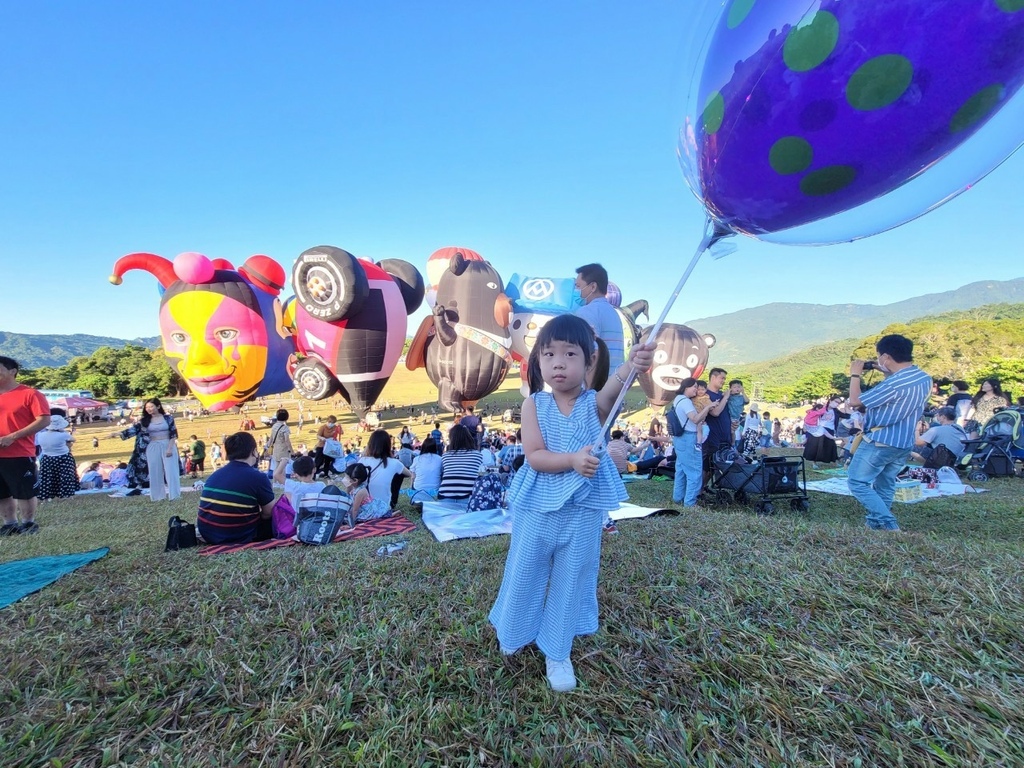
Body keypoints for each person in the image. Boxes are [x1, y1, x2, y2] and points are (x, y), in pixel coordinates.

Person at [489, 314, 653, 692]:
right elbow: (534, 456)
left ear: (589, 360)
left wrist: (633, 363)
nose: (558, 362)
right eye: (548, 354)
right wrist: (573, 460)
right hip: (537, 507)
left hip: (582, 510)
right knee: (525, 567)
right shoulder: (534, 406)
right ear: (538, 362)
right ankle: (513, 631)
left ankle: (558, 651)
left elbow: (617, 385)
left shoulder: (597, 405)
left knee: (573, 576)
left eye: (569, 353)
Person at [847, 334, 932, 531]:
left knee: (857, 481)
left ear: (885, 357)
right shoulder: (924, 378)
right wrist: (885, 371)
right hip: (904, 441)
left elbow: (855, 401)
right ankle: (876, 526)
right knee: (885, 484)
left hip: (880, 440)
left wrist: (855, 374)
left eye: (879, 357)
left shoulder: (893, 384)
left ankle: (889, 524)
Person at [0, 356, 50, 535]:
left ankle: (28, 523)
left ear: (12, 371)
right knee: (2, 492)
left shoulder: (30, 394)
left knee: (24, 491)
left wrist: (14, 436)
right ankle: (9, 524)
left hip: (20, 452)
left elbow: (44, 420)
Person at [111, 398, 180, 501]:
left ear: (158, 406)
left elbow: (173, 434)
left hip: (167, 444)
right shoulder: (145, 421)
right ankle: (157, 497)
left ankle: (174, 496)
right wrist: (117, 434)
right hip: (152, 446)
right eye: (147, 407)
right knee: (154, 472)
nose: (149, 409)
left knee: (171, 471)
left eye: (151, 406)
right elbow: (133, 430)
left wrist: (169, 448)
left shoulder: (168, 418)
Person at [670, 378, 713, 508]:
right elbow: (695, 419)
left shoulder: (677, 400)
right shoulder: (686, 402)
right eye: (694, 386)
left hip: (679, 438)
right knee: (694, 471)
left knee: (681, 469)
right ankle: (690, 503)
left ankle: (678, 498)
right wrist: (708, 407)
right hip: (690, 438)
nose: (696, 389)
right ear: (686, 387)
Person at [573, 263, 624, 368]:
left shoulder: (586, 312)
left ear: (593, 287)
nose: (576, 291)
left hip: (595, 382)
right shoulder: (614, 313)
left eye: (578, 286)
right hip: (614, 380)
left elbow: (589, 353)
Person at [358, 429, 411, 510]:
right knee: (399, 474)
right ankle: (391, 500)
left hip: (363, 506)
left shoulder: (362, 460)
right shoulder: (394, 463)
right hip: (384, 508)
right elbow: (409, 474)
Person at [36, 414, 80, 501]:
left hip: (47, 457)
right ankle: (67, 495)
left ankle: (46, 496)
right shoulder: (64, 435)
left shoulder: (41, 435)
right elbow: (73, 439)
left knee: (47, 478)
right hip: (63, 457)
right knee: (66, 477)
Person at [438, 424, 484, 500]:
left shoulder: (446, 456)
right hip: (469, 496)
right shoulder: (477, 455)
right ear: (469, 437)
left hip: (445, 495)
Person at [803, 396, 842, 466]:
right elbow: (811, 416)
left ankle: (835, 461)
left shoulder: (835, 411)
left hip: (830, 429)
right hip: (818, 429)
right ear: (830, 401)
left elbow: (844, 415)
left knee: (831, 445)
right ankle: (814, 462)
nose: (837, 404)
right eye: (836, 401)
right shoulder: (821, 408)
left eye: (838, 403)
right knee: (816, 446)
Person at [409, 437, 443, 503]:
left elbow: (413, 476)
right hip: (435, 490)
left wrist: (411, 488)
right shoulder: (440, 459)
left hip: (418, 489)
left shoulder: (417, 459)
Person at [268, 409, 293, 485]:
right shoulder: (285, 428)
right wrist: (291, 450)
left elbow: (271, 438)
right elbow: (287, 440)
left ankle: (274, 482)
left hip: (276, 448)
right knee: (282, 466)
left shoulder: (274, 426)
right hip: (283, 449)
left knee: (276, 466)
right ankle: (282, 482)